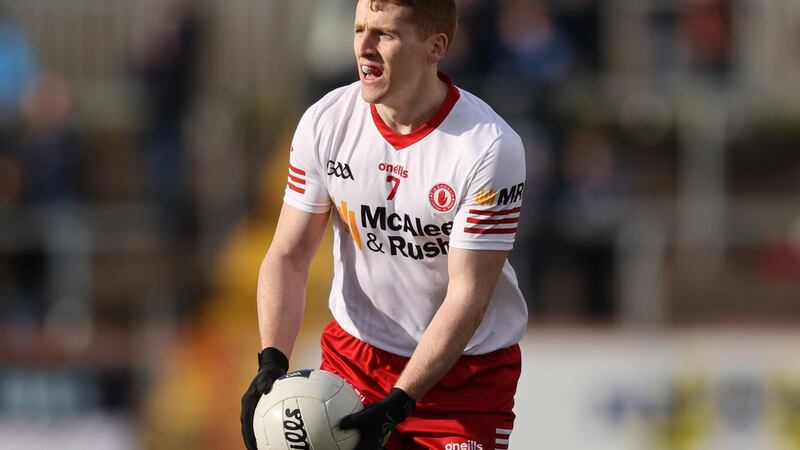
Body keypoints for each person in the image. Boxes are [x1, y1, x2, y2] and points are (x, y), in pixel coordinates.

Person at [241, 1, 528, 448]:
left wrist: (401, 401)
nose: (364, 48)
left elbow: (468, 295)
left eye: (386, 35)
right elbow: (289, 255)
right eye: (359, 30)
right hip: (355, 360)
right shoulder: (325, 122)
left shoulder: (489, 148)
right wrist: (272, 360)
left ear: (436, 47)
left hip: (464, 377)